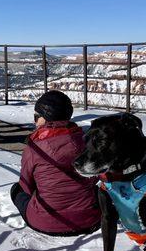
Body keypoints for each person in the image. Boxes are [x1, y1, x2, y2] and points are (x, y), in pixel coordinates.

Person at [10, 90, 101, 236]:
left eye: (36, 117)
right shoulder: (86, 142)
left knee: (16, 190)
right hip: (89, 221)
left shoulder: (34, 147)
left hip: (44, 222)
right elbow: (95, 176)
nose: (34, 122)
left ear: (46, 118)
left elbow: (26, 186)